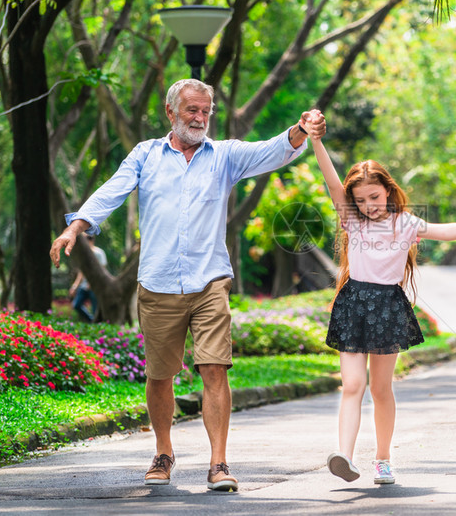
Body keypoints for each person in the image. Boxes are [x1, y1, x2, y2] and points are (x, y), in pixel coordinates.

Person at [50, 78, 325, 492]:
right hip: (158, 283)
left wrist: (300, 130)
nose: (199, 118)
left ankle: (218, 463)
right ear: (171, 113)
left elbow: (272, 149)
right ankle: (163, 451)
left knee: (214, 368)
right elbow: (112, 191)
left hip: (209, 278)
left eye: (205, 112)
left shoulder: (225, 155)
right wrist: (76, 227)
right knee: (160, 375)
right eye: (192, 110)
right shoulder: (145, 155)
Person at [309, 128, 456, 486]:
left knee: (380, 389)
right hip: (354, 303)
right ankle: (345, 457)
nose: (369, 205)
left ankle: (383, 458)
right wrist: (316, 140)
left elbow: (445, 231)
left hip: (387, 306)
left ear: (388, 191)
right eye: (362, 200)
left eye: (375, 197)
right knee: (352, 384)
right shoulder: (352, 220)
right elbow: (332, 182)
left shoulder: (405, 223)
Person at [67, 234, 107, 322]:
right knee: (76, 305)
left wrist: (92, 283)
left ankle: (97, 325)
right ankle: (91, 320)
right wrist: (74, 286)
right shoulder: (83, 254)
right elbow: (81, 273)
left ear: (91, 241)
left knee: (95, 308)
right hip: (84, 286)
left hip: (95, 287)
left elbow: (102, 270)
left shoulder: (99, 253)